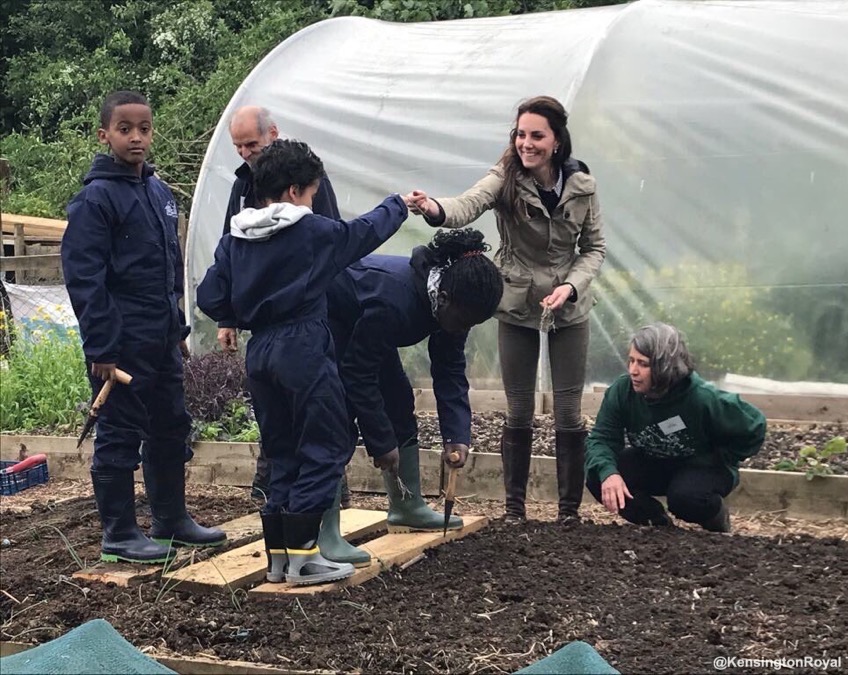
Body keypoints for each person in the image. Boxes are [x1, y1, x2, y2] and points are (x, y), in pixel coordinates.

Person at [196, 139, 408, 585]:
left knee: (282, 451)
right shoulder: (310, 232)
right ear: (295, 191)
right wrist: (398, 205)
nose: (314, 200)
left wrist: (242, 309)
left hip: (261, 352)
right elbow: (361, 234)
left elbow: (210, 295)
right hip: (303, 345)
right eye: (312, 192)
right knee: (328, 443)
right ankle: (306, 556)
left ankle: (280, 559)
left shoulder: (236, 236)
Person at [406, 95, 606, 523]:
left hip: (568, 307)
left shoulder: (582, 186)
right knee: (519, 409)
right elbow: (467, 204)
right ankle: (515, 512)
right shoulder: (505, 178)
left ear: (556, 141)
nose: (526, 143)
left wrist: (571, 287)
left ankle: (568, 513)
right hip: (516, 301)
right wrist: (433, 208)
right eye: (520, 134)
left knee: (569, 412)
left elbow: (593, 248)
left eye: (537, 135)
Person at [61, 90, 226, 564]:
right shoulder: (95, 200)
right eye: (125, 129)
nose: (136, 137)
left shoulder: (157, 192)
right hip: (121, 338)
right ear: (104, 135)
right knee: (119, 430)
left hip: (160, 335)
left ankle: (171, 519)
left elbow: (169, 266)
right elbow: (85, 279)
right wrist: (102, 348)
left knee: (171, 424)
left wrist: (177, 328)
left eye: (144, 128)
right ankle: (118, 532)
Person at [319, 228, 504, 567]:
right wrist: (381, 442)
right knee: (337, 421)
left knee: (399, 402)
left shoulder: (454, 307)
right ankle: (324, 531)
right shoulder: (397, 300)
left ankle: (406, 506)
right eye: (465, 321)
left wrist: (457, 437)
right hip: (331, 318)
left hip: (369, 330)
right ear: (443, 298)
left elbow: (450, 373)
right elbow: (357, 374)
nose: (465, 328)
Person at [218, 105, 343, 503]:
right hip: (265, 325)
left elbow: (334, 244)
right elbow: (229, 252)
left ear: (272, 133)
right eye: (237, 146)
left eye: (250, 144)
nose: (244, 153)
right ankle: (273, 482)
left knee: (315, 414)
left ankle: (326, 499)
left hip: (305, 320)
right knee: (274, 412)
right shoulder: (242, 187)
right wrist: (227, 316)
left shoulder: (303, 181)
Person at [584, 323, 767, 532]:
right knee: (598, 476)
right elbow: (602, 438)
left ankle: (717, 520)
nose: (633, 370)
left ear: (664, 367)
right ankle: (658, 524)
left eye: (643, 364)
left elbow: (755, 425)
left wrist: (723, 457)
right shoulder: (622, 391)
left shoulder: (700, 397)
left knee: (686, 499)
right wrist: (609, 474)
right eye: (631, 361)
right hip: (654, 461)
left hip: (700, 467)